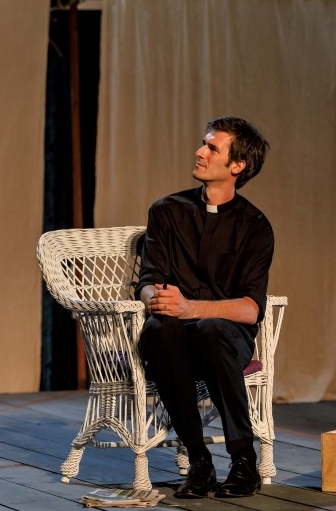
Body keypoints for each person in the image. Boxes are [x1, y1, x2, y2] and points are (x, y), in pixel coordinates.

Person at [136, 116, 273, 499]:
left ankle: (243, 462)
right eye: (204, 144)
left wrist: (190, 308)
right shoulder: (167, 211)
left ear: (237, 165)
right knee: (159, 330)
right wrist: (155, 299)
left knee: (212, 330)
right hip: (174, 337)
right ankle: (199, 462)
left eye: (212, 148)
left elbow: (250, 309)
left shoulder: (255, 226)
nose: (200, 152)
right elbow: (148, 281)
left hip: (224, 338)